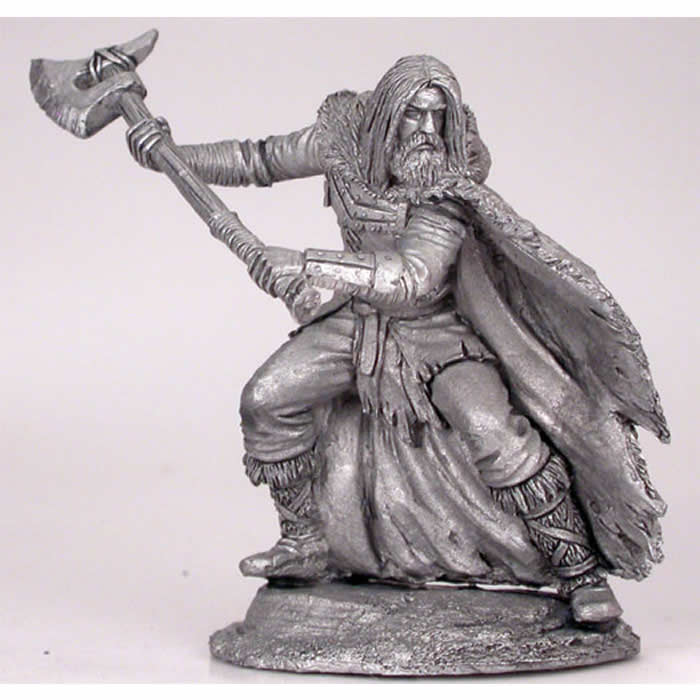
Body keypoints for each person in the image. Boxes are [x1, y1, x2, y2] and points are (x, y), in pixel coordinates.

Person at [127, 55, 669, 625]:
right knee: (266, 398)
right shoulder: (343, 140)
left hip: (438, 332)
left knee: (494, 432)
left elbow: (413, 279)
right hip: (357, 323)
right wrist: (168, 154)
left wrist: (307, 264)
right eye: (415, 114)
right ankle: (304, 542)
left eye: (439, 116)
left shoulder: (447, 185)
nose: (428, 130)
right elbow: (255, 160)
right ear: (387, 113)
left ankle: (578, 572)